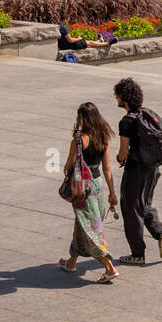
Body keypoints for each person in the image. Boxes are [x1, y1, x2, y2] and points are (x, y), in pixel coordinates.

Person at [57, 102, 120, 284]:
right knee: (83, 223)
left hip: (82, 188)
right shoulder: (104, 138)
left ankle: (109, 267)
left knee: (90, 229)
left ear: (82, 119)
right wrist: (112, 193)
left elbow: (68, 167)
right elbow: (107, 168)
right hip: (98, 185)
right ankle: (71, 262)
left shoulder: (79, 140)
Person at [113, 77, 162, 265]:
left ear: (124, 97)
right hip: (153, 167)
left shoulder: (127, 121)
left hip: (136, 170)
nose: (116, 99)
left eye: (117, 96)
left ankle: (137, 254)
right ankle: (160, 234)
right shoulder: (148, 113)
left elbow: (123, 152)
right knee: (145, 203)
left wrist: (120, 159)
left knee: (130, 209)